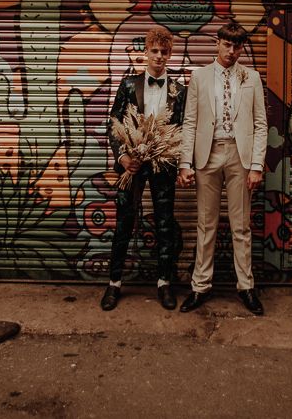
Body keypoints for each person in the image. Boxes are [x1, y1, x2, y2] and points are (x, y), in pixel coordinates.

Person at [178, 21, 267, 315]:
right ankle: (200, 286)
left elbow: (260, 124)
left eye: (237, 46)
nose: (231, 51)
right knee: (206, 225)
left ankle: (246, 287)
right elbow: (189, 122)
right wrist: (185, 162)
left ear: (242, 48)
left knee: (241, 226)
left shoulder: (251, 77)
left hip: (239, 157)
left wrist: (256, 165)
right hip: (207, 156)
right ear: (217, 43)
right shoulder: (199, 77)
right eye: (227, 44)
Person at [101, 26, 186, 311]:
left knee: (164, 224)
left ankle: (164, 283)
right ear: (146, 52)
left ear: (170, 54)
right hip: (132, 165)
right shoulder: (127, 85)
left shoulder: (179, 91)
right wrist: (123, 156)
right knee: (124, 222)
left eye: (164, 52)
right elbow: (113, 123)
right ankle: (114, 284)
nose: (159, 57)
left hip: (163, 165)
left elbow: (183, 128)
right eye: (154, 51)